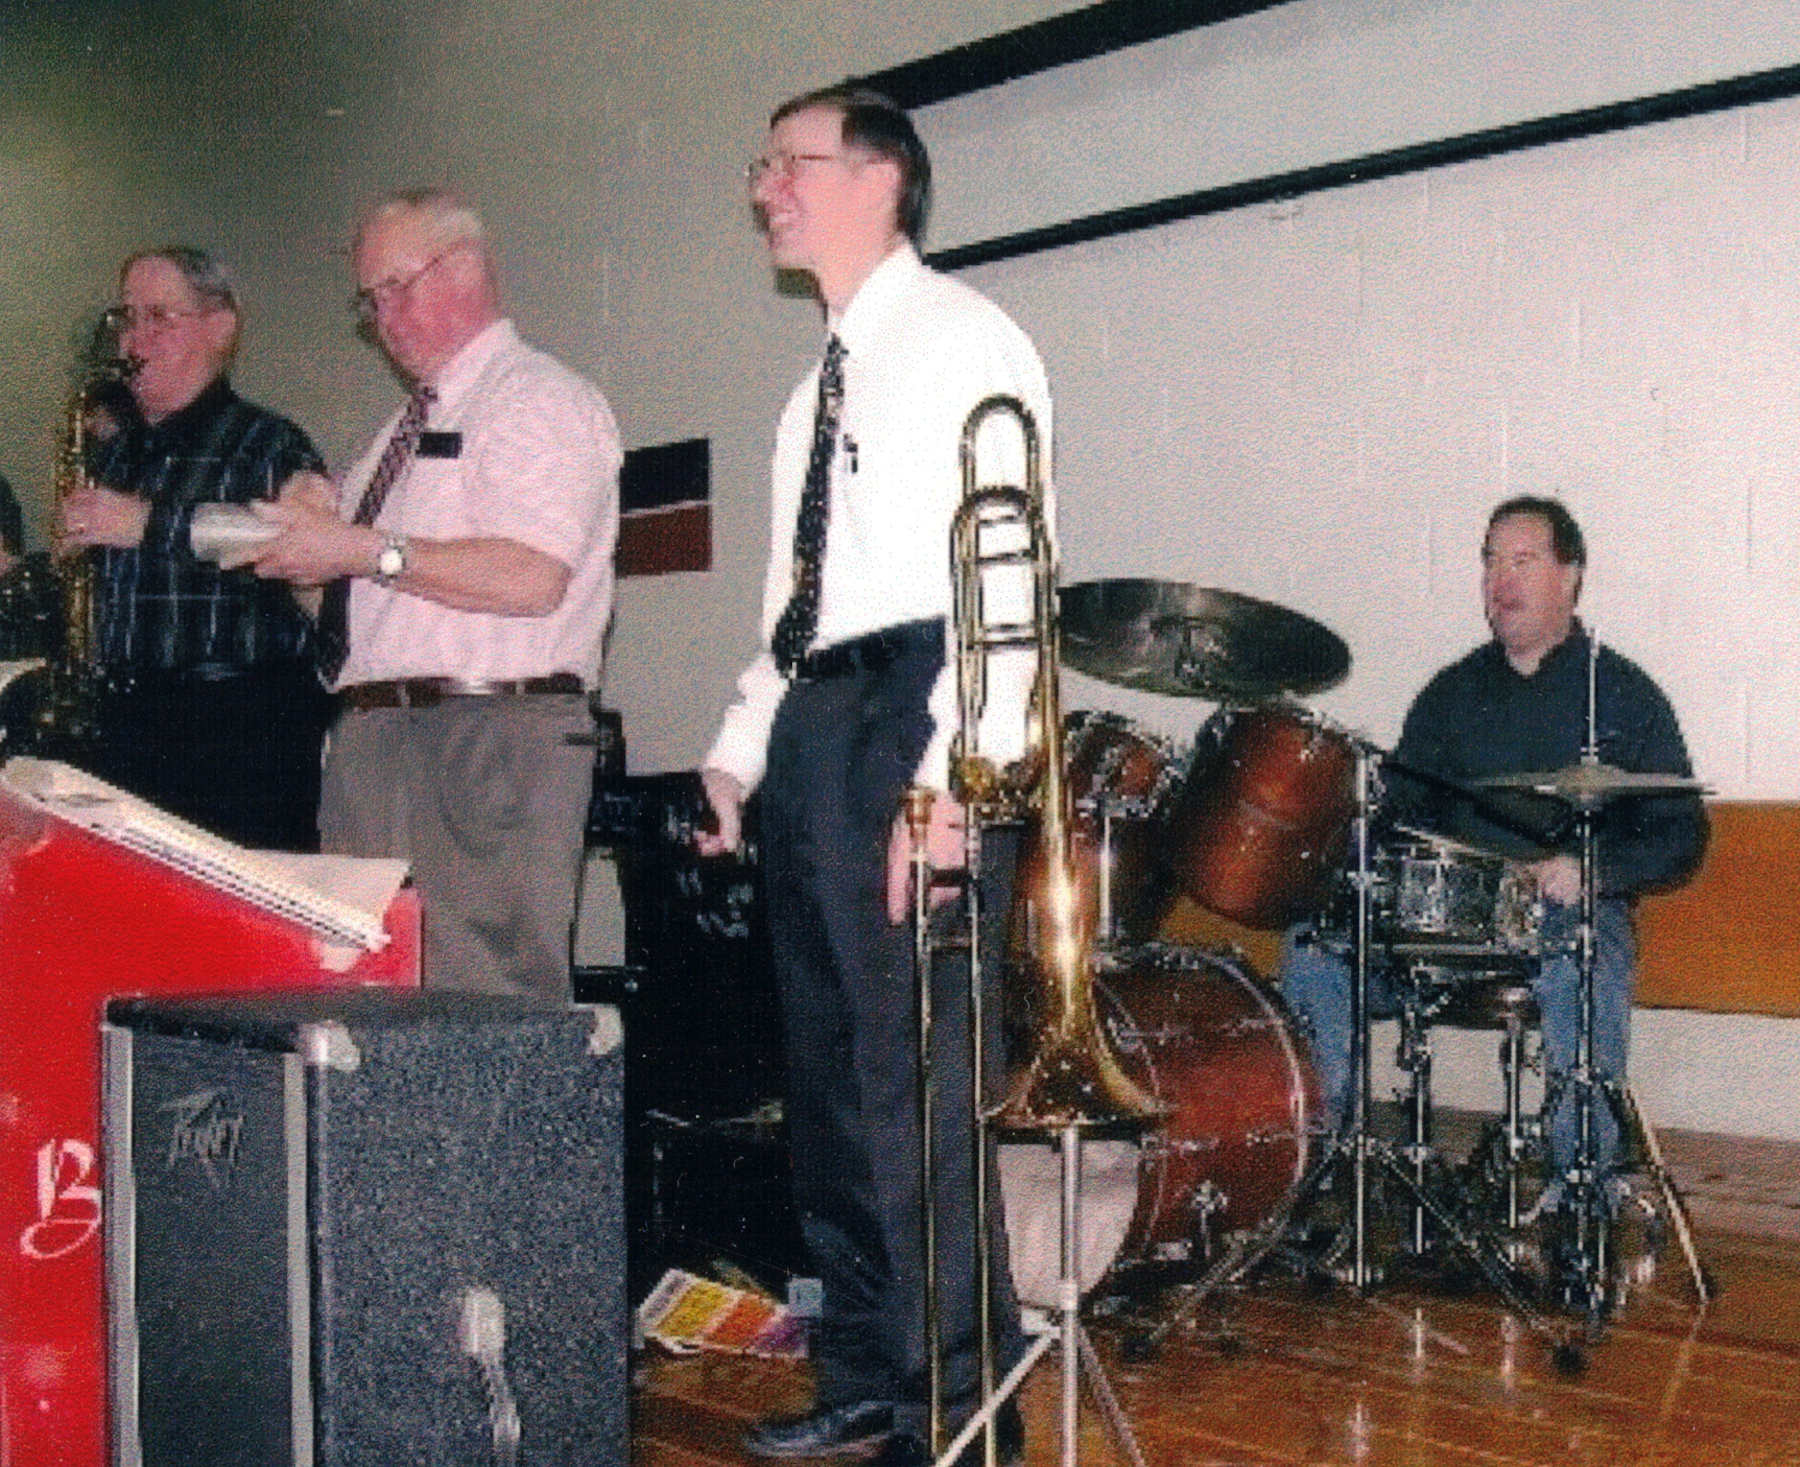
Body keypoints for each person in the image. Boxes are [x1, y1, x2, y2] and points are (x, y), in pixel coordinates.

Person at [696, 86, 1049, 1467]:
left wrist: (958, 784)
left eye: (792, 162)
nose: (764, 188)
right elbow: (798, 610)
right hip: (823, 728)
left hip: (917, 714)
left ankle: (961, 1412)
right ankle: (869, 1374)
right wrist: (742, 751)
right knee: (834, 1086)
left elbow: (1005, 585)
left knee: (917, 1087)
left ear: (882, 178)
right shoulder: (812, 394)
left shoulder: (966, 338)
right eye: (761, 163)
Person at [1283, 496, 1707, 1249]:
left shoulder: (1621, 693)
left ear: (1570, 576)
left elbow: (1682, 837)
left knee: (1584, 952)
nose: (1499, 581)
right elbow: (1392, 818)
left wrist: (1592, 870)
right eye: (1489, 562)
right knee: (1315, 942)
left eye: (1522, 561)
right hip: (1443, 928)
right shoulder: (1451, 695)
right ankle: (1316, 1166)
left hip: (1558, 919)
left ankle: (1581, 1190)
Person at [245, 190, 620, 998]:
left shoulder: (536, 397)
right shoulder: (391, 437)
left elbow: (532, 577)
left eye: (398, 286)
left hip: (486, 731)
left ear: (467, 268)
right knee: (366, 998)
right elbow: (370, 609)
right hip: (376, 740)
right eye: (370, 301)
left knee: (485, 1004)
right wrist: (305, 556)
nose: (385, 318)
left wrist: (356, 546)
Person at [55, 247, 333, 849]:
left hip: (238, 738)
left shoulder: (268, 442)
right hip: (127, 729)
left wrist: (148, 525)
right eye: (127, 318)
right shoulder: (115, 453)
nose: (134, 340)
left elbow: (301, 547)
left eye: (160, 317)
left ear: (219, 327)